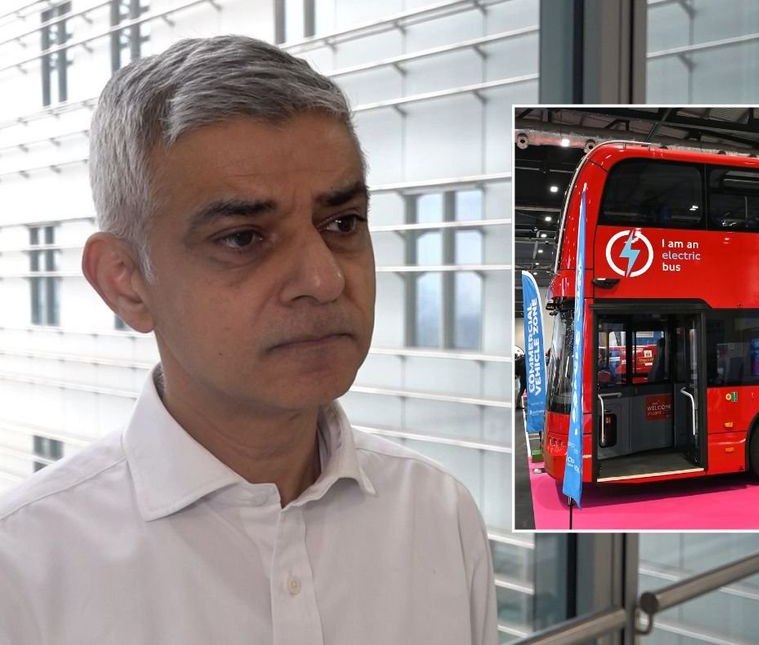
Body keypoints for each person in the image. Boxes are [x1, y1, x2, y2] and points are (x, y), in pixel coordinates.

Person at [0, 36, 496, 644]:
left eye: (342, 224)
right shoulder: (23, 566)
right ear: (126, 283)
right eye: (243, 238)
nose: (323, 279)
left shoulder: (438, 514)